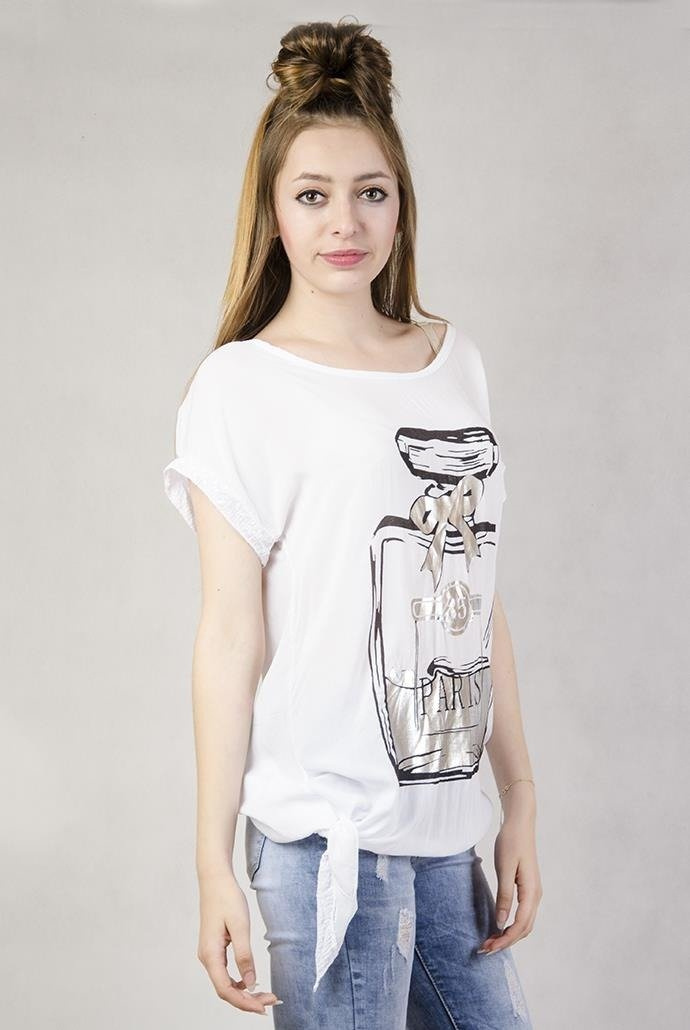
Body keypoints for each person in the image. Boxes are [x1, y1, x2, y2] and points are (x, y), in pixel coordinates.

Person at [163, 17, 542, 1029]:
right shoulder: (240, 386)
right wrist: (212, 864)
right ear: (273, 212)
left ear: (401, 203)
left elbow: (477, 597)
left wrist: (519, 797)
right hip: (322, 846)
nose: (345, 221)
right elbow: (229, 635)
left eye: (370, 192)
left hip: (446, 839)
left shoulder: (454, 362)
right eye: (313, 195)